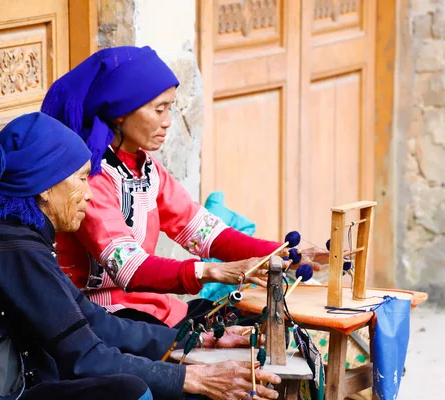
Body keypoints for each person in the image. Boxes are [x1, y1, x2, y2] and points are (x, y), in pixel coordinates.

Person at [0, 112, 282, 400]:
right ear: (43, 189)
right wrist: (195, 378)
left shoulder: (20, 241)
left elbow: (97, 324)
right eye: (81, 178)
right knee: (127, 391)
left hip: (14, 385)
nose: (89, 193)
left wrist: (195, 343)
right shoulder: (10, 248)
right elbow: (84, 356)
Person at [41, 46, 328, 327]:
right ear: (120, 112)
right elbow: (129, 267)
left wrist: (282, 252)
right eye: (158, 110)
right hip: (99, 316)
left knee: (256, 322)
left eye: (170, 109)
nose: (167, 122)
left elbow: (207, 234)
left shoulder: (146, 168)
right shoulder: (92, 178)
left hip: (146, 306)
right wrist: (212, 271)